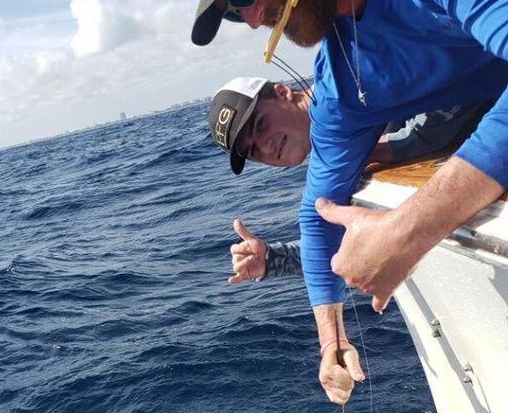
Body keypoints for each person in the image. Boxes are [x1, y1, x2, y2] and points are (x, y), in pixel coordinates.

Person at [179, 0, 508, 404]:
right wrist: (330, 340)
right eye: (236, 14)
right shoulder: (341, 90)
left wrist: (410, 228)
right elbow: (317, 218)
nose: (255, 19)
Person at [208, 76, 489, 280]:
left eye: (261, 124)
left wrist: (382, 149)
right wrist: (273, 259)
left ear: (283, 92)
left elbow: (454, 84)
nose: (265, 145)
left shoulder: (348, 81)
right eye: (253, 150)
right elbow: (344, 241)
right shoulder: (334, 158)